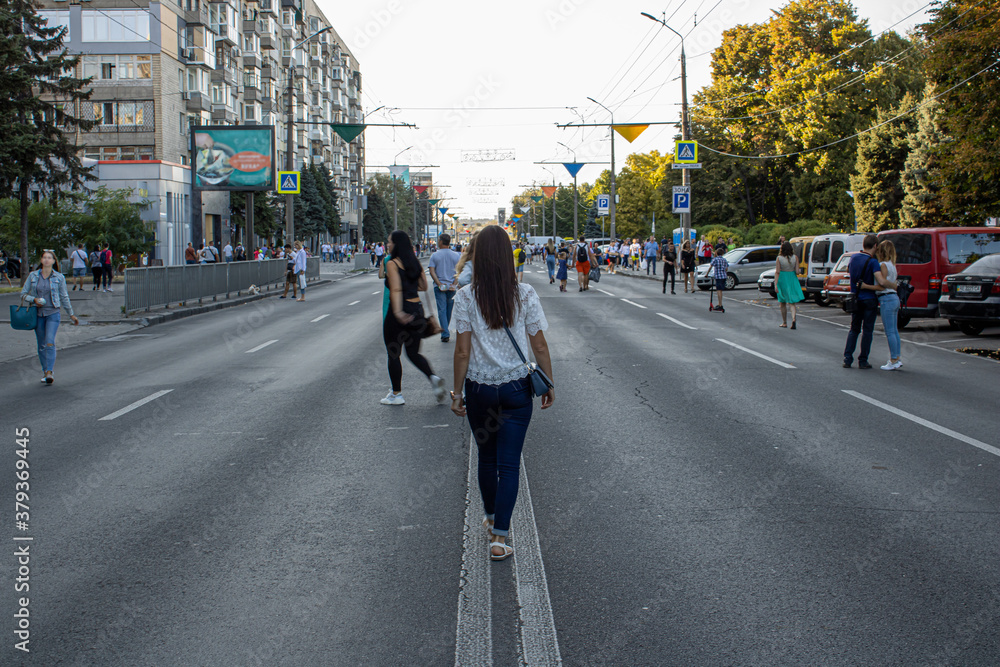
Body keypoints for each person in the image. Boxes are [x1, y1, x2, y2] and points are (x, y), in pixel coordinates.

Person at [449, 224, 554, 561]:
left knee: (487, 457)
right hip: (517, 389)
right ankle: (500, 537)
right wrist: (548, 382)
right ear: (508, 257)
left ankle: (492, 515)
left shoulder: (465, 296)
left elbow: (462, 352)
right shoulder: (525, 294)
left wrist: (456, 393)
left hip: (479, 390)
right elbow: (539, 343)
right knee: (509, 464)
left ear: (477, 257)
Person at [381, 230, 444, 406]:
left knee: (394, 354)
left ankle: (396, 394)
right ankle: (433, 377)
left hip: (401, 311)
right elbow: (423, 286)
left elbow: (395, 290)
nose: (388, 245)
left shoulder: (393, 263)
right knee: (414, 353)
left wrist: (399, 313)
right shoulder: (413, 262)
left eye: (390, 241)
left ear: (396, 244)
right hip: (417, 310)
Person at [19, 250, 79, 384]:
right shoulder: (33, 276)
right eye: (44, 258)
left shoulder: (59, 277)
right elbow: (22, 294)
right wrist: (33, 299)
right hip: (38, 314)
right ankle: (44, 370)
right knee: (41, 345)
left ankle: (49, 372)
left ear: (53, 261)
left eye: (49, 258)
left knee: (49, 341)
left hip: (53, 313)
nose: (46, 260)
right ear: (41, 260)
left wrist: (71, 314)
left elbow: (64, 296)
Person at [843, 234, 882, 369]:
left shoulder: (854, 258)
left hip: (855, 298)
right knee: (867, 331)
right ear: (875, 246)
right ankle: (863, 360)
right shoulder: (873, 262)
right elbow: (879, 278)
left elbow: (848, 270)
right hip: (869, 299)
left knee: (854, 329)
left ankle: (847, 358)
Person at [868, 240, 902, 370]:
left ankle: (893, 360)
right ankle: (897, 357)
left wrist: (866, 286)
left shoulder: (882, 265)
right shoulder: (892, 265)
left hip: (886, 298)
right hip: (894, 298)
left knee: (889, 331)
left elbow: (882, 285)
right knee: (894, 330)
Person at [429, 233, 462, 343]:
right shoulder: (456, 255)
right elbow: (459, 271)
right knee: (449, 310)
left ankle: (445, 332)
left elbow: (432, 271)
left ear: (441, 242)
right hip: (452, 286)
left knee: (442, 310)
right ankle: (445, 330)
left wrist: (438, 283)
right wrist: (454, 283)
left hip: (440, 287)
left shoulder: (435, 255)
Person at [775, 241, 804, 328]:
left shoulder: (779, 258)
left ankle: (784, 322)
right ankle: (793, 318)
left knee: (782, 302)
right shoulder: (795, 257)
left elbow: (777, 272)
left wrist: (776, 284)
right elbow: (798, 272)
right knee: (792, 302)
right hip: (792, 278)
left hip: (783, 279)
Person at [709, 247, 729, 312]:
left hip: (718, 276)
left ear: (716, 253)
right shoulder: (724, 260)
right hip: (723, 276)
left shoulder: (715, 259)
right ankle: (720, 303)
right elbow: (726, 268)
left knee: (718, 290)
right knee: (721, 290)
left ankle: (720, 304)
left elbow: (711, 266)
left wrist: (707, 274)